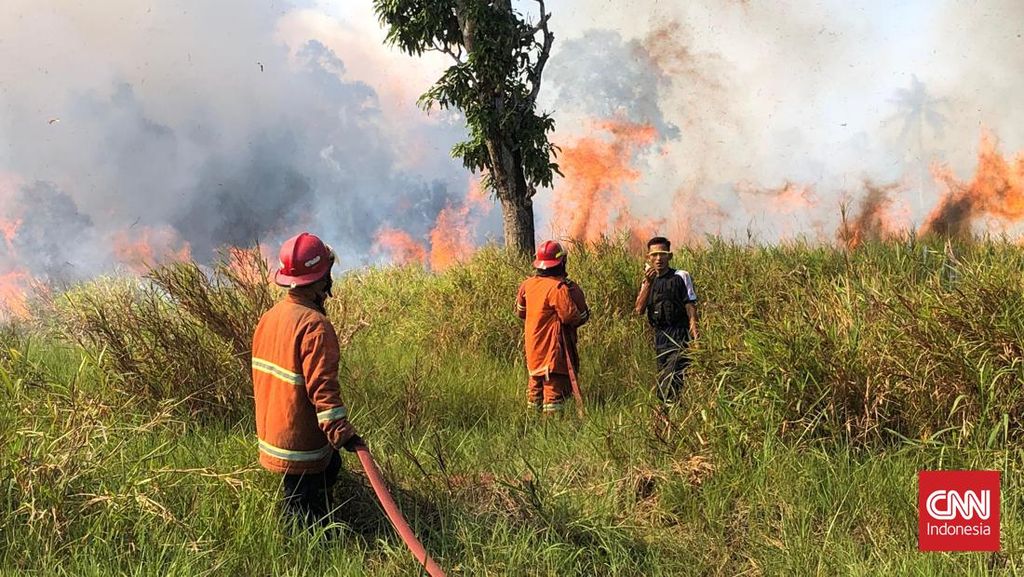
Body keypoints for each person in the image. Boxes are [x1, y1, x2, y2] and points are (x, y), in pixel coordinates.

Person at [251, 232, 364, 528]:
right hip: (300, 443)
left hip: (273, 433)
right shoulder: (315, 326)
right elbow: (322, 389)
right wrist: (342, 432)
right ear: (320, 279)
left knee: (330, 470)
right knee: (304, 516)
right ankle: (305, 552)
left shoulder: (271, 317)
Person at [515, 240, 590, 416]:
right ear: (561, 262)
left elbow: (521, 311)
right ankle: (552, 432)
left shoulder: (527, 285)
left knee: (534, 393)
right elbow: (571, 317)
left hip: (534, 353)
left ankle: (530, 429)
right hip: (553, 354)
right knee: (553, 396)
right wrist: (585, 314)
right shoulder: (559, 288)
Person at [633, 236, 699, 406]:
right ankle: (673, 417)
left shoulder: (681, 276)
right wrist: (647, 284)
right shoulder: (647, 281)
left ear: (669, 256)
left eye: (662, 254)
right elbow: (639, 310)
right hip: (660, 338)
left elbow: (690, 306)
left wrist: (696, 337)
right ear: (648, 258)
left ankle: (665, 416)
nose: (658, 258)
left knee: (670, 381)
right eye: (654, 255)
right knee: (668, 380)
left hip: (679, 336)